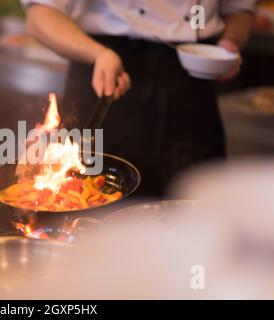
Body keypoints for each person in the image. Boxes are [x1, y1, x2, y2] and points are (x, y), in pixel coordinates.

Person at [20, 0, 256, 196]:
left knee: (200, 207)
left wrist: (230, 43)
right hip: (107, 69)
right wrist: (97, 54)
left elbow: (240, 9)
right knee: (92, 208)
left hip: (192, 81)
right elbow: (40, 13)